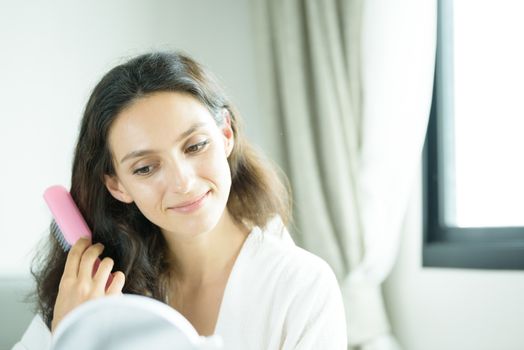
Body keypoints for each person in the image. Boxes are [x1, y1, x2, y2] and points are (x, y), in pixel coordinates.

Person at [13, 51, 347, 349]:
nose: (183, 182)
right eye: (145, 168)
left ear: (226, 135)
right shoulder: (88, 293)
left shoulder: (300, 288)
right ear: (117, 185)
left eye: (195, 146)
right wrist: (68, 334)